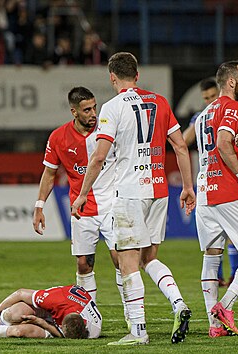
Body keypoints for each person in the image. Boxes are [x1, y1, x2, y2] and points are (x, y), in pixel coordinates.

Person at [71, 52, 196, 346]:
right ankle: (178, 303)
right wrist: (188, 187)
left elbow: (99, 156)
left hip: (129, 192)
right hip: (159, 190)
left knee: (127, 263)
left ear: (112, 78)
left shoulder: (112, 109)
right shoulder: (161, 102)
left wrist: (83, 193)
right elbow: (180, 147)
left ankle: (138, 331)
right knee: (149, 258)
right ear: (137, 75)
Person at [32, 87, 123, 309]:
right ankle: (88, 314)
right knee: (83, 264)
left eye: (94, 107)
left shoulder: (107, 130)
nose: (93, 113)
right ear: (74, 112)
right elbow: (50, 173)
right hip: (82, 209)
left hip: (113, 204)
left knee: (120, 260)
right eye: (87, 110)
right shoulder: (58, 137)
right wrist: (39, 206)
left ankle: (133, 316)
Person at [194, 60, 238, 338]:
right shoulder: (232, 107)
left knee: (211, 257)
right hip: (227, 191)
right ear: (232, 82)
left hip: (205, 192)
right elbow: (224, 143)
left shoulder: (204, 113)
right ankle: (224, 305)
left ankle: (214, 326)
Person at [182, 77, 238, 288]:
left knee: (220, 241)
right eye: (206, 98)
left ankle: (231, 278)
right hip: (222, 182)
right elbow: (183, 142)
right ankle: (225, 283)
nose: (209, 100)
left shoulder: (218, 113)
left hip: (221, 181)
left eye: (212, 96)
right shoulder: (205, 115)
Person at [0, 284, 102, 339]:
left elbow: (64, 335)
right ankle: (0, 322)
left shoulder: (93, 330)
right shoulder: (53, 299)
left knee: (18, 331)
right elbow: (21, 293)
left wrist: (41, 323)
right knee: (11, 315)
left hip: (54, 317)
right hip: (51, 308)